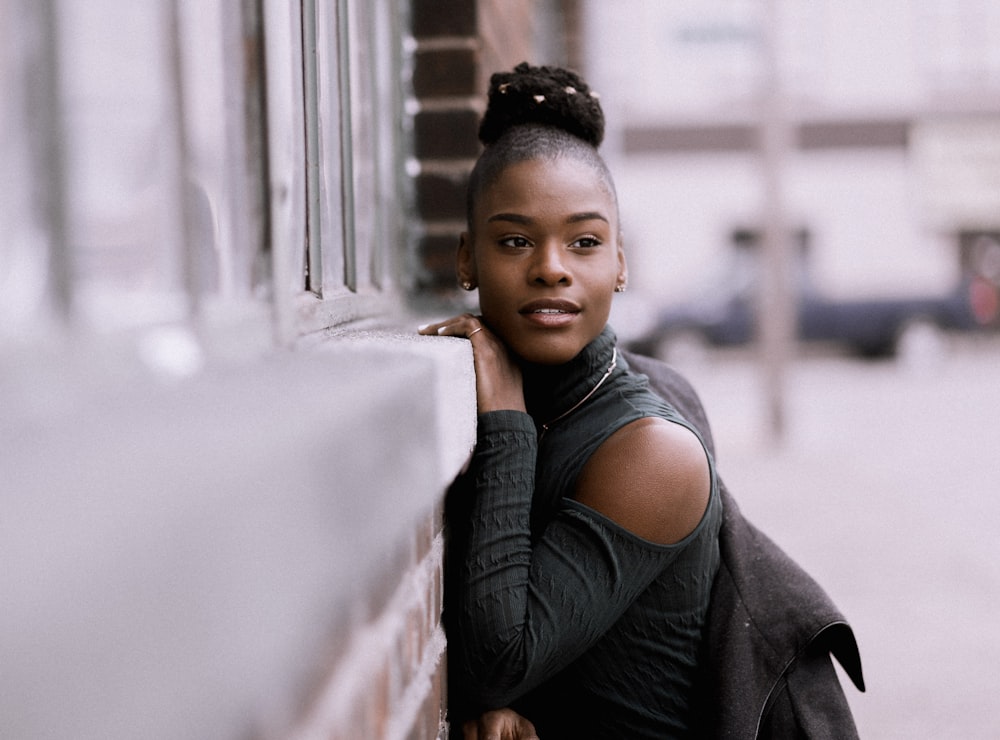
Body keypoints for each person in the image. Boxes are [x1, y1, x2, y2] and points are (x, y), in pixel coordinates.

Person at [419, 62, 723, 739]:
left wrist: (505, 423)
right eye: (516, 240)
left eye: (584, 242)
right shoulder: (545, 397)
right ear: (467, 259)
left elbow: (494, 661)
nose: (551, 266)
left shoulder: (652, 451)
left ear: (620, 261)